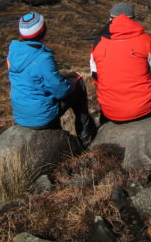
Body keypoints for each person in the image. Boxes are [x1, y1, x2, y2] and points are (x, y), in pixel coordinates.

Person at [6, 12, 97, 147]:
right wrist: (73, 82)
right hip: (40, 117)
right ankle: (86, 138)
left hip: (20, 116)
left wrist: (66, 76)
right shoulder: (43, 58)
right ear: (44, 31)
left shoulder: (14, 51)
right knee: (79, 86)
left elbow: (34, 79)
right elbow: (60, 92)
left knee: (70, 80)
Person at [89, 2, 151, 123]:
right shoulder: (145, 39)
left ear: (110, 19)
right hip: (146, 107)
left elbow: (96, 77)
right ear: (133, 20)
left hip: (111, 112)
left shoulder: (98, 43)